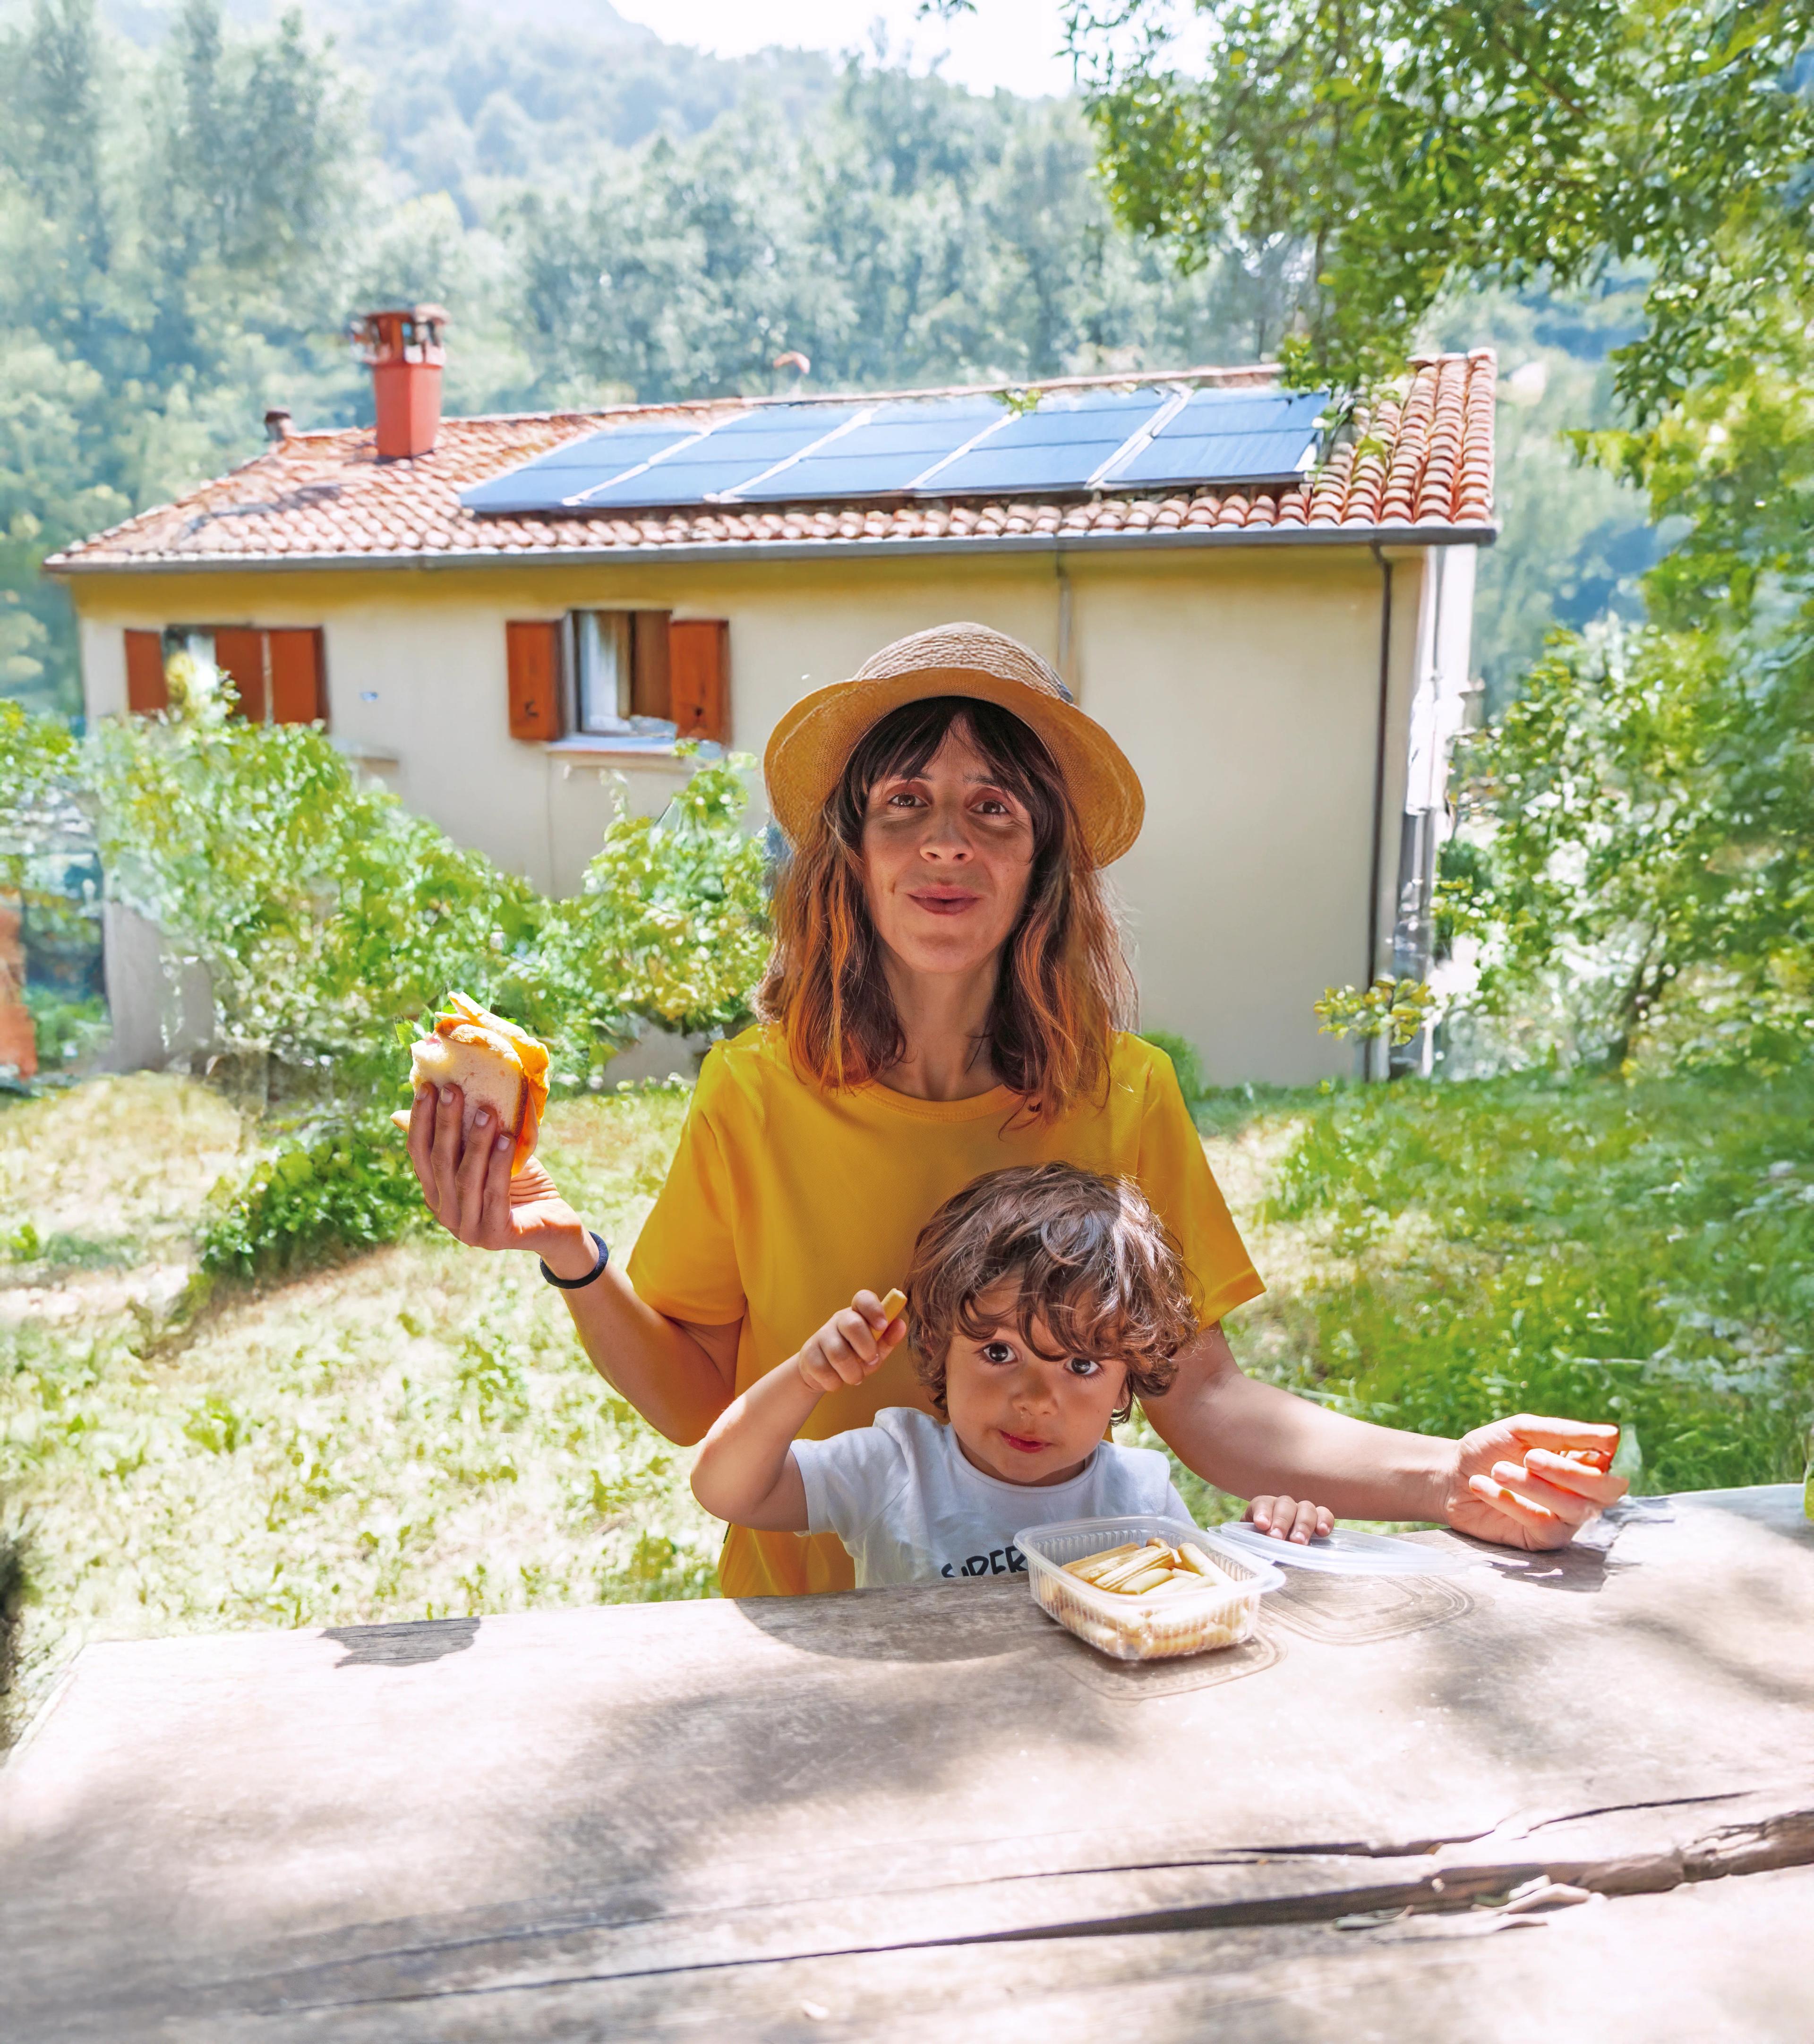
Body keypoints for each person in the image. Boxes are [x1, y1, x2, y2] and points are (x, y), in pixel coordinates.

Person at [407, 621, 1626, 1597]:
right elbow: (694, 1406)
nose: (946, 843)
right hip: (809, 1642)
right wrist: (568, 1252)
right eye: (905, 802)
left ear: (1044, 860)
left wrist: (1444, 1473)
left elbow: (1203, 1400)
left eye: (992, 808)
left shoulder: (1126, 1093)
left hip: (1058, 1641)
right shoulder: (753, 1092)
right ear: (851, 853)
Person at [689, 1163, 1337, 1584]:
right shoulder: (895, 1469)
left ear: (1127, 1379)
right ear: (938, 1345)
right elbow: (726, 1490)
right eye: (999, 1353)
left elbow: (1198, 1609)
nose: (1034, 1399)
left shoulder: (1140, 1498)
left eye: (1081, 1364)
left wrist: (1271, 1539)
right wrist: (807, 1378)